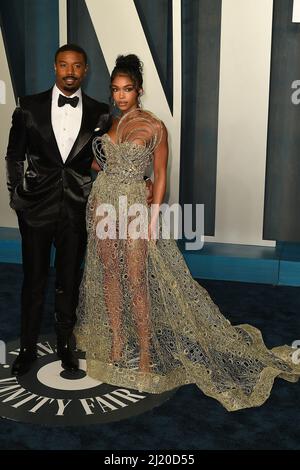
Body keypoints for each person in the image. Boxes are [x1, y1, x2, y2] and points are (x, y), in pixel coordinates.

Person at [74, 54, 300, 411]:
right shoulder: (108, 123)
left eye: (127, 89)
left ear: (139, 90)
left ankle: (146, 350)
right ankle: (117, 342)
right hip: (102, 204)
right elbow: (98, 164)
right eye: (116, 90)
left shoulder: (154, 126)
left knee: (136, 279)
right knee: (109, 277)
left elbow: (161, 175)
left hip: (133, 207)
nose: (120, 96)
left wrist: (152, 215)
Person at [5, 44, 112, 376]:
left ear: (85, 70)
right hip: (35, 209)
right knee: (33, 281)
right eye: (64, 65)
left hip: (76, 210)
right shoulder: (28, 107)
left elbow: (106, 160)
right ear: (54, 68)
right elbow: (14, 156)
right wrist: (18, 198)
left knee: (69, 280)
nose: (70, 72)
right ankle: (28, 347)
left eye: (77, 66)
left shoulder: (100, 113)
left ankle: (66, 346)